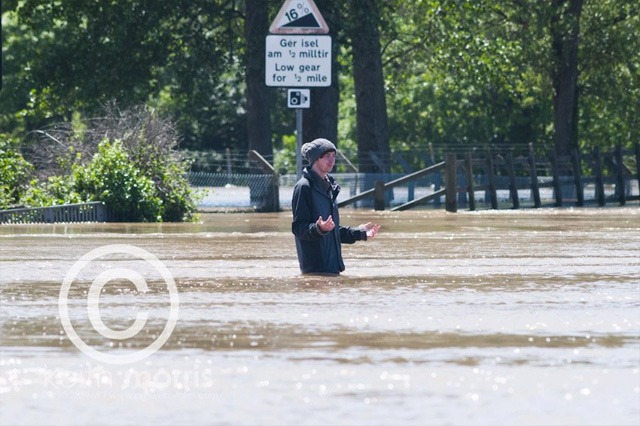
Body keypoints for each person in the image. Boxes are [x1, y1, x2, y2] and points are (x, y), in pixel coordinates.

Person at [291, 138, 380, 274]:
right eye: (327, 156)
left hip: (333, 269)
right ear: (315, 159)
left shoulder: (330, 188)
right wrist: (318, 228)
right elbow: (298, 228)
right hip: (316, 272)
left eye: (333, 156)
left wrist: (360, 233)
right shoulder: (303, 187)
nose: (332, 160)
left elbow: (332, 230)